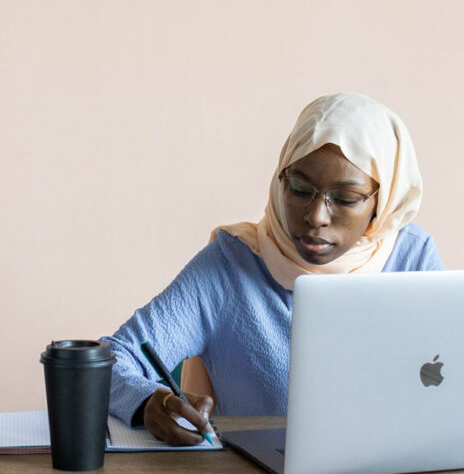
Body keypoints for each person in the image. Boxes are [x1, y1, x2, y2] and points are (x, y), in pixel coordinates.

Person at [102, 92, 443, 446]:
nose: (316, 216)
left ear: (382, 201)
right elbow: (109, 360)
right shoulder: (230, 266)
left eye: (345, 198)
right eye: (299, 189)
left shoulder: (412, 259)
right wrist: (145, 402)